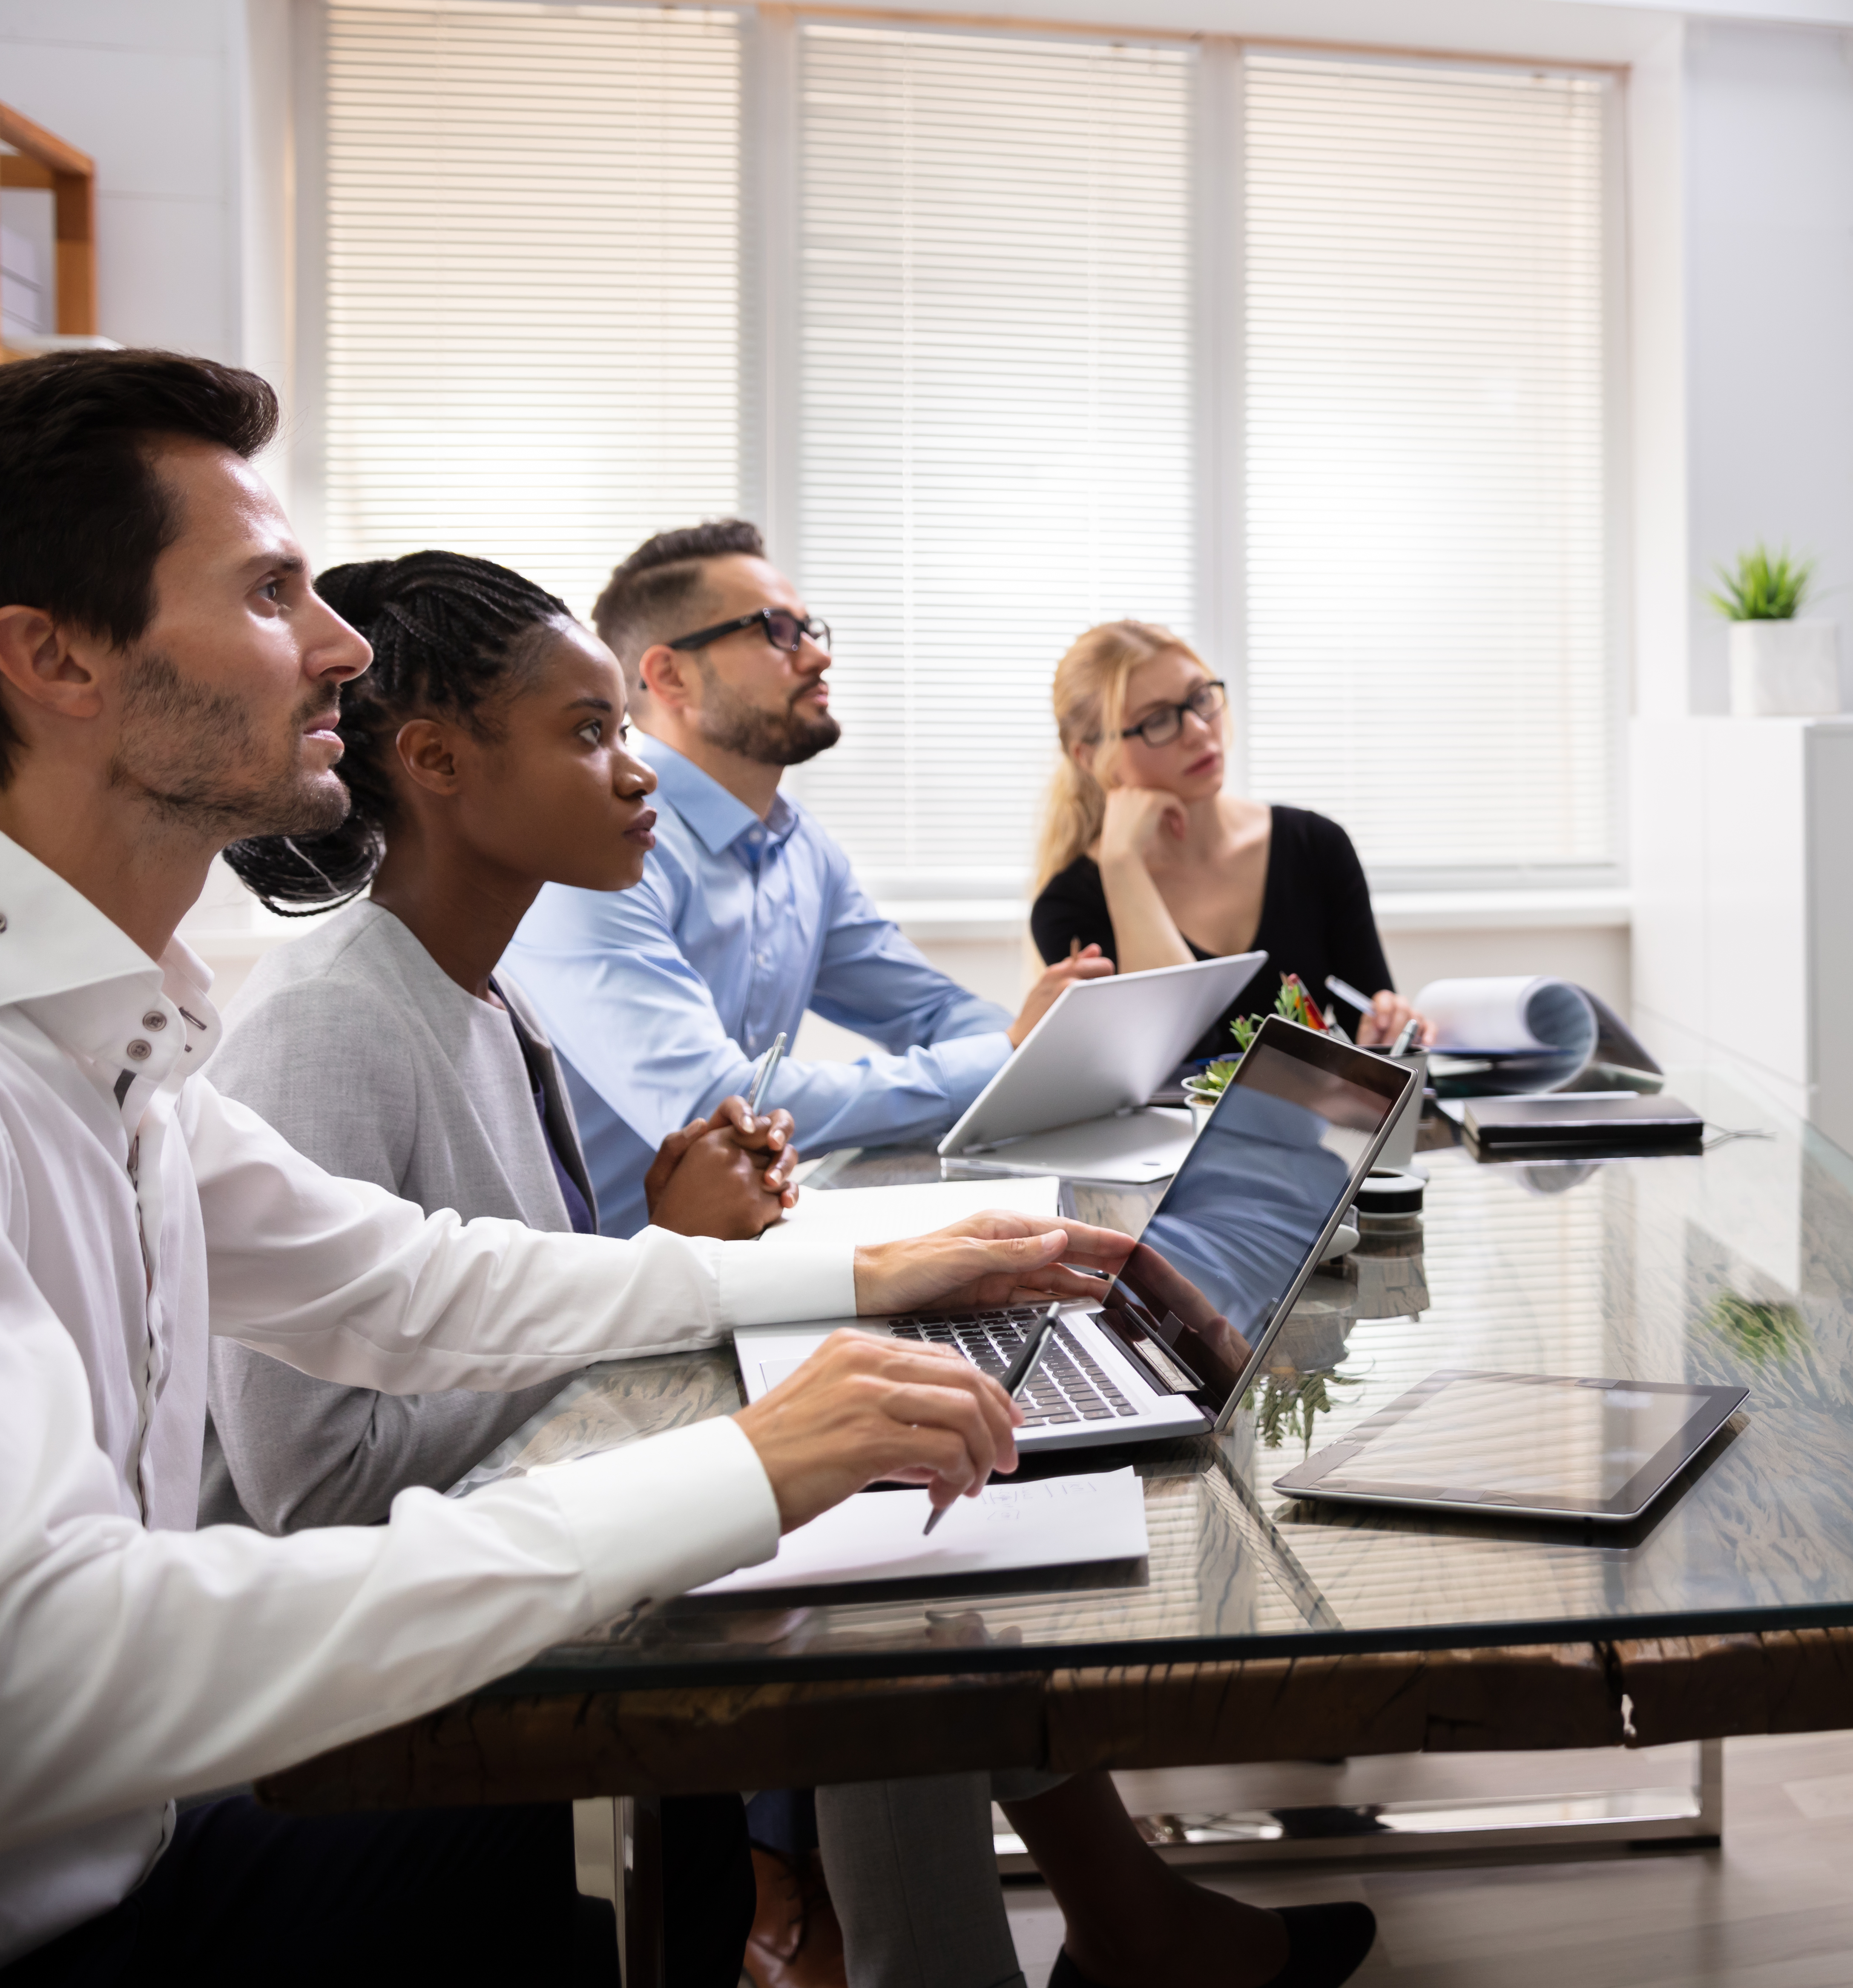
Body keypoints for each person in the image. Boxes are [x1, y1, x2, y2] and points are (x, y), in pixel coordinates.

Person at [0, 348, 1132, 1988]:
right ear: (52, 656)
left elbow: (409, 1277)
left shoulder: (101, 1037)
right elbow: (12, 1696)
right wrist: (741, 1468)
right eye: (273, 589)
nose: (339, 643)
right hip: (30, 1932)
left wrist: (861, 1273)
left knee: (700, 1764)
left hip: (139, 1844)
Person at [205, 553, 1372, 1988]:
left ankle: (1083, 1936)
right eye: (592, 734)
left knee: (915, 1503)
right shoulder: (329, 1023)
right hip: (375, 1625)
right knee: (888, 1546)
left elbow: (542, 1308)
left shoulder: (479, 993)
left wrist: (856, 1284)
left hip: (498, 1518)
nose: (639, 771)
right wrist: (716, 1348)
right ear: (436, 764)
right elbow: (312, 1485)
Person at [503, 522, 1112, 1233]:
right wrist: (1005, 1053)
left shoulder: (800, 846)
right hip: (614, 1291)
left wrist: (1032, 1055)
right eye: (776, 630)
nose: (818, 654)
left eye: (810, 628)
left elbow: (927, 1009)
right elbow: (711, 1101)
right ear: (669, 676)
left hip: (748, 1252)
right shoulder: (593, 853)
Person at [1026, 623, 1422, 1060]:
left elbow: (1368, 1036)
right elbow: (1172, 1062)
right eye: (1157, 720)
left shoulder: (1316, 846)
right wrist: (1122, 865)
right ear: (1090, 756)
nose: (1198, 729)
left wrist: (1383, 1030)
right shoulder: (1070, 906)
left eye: (1200, 698)